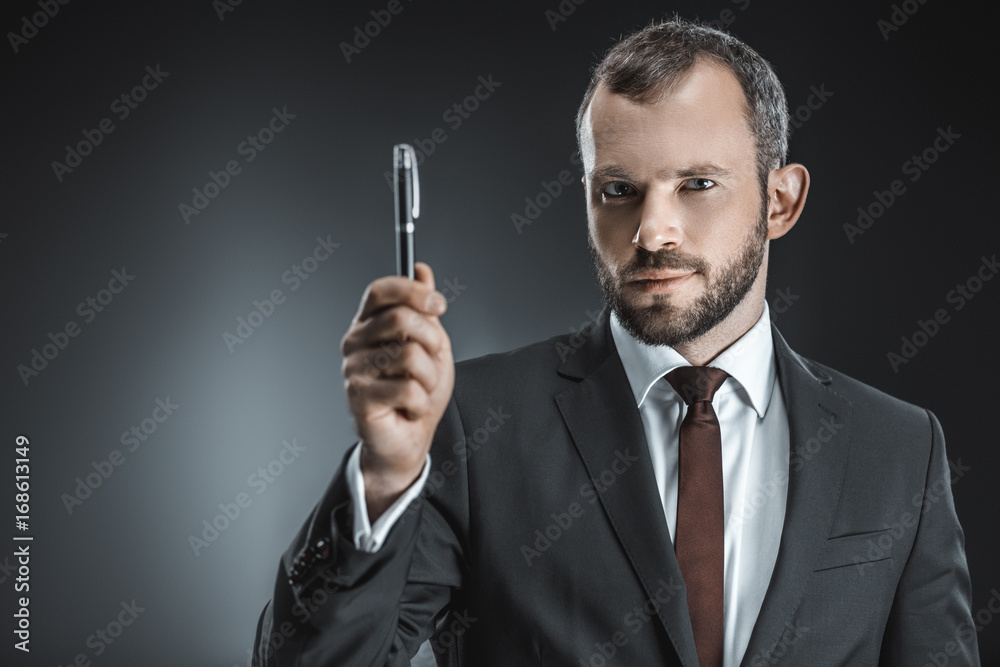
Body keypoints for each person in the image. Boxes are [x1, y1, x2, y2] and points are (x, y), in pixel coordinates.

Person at [253, 17, 978, 667]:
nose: (652, 232)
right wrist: (382, 478)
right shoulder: (472, 425)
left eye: (697, 184)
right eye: (618, 190)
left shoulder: (899, 449)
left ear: (780, 200)